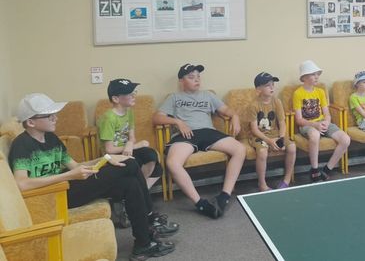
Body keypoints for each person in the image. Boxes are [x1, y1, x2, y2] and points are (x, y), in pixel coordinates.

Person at [8, 93, 177, 260]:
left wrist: (106, 158)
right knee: (131, 164)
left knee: (130, 183)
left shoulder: (51, 138)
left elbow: (75, 166)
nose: (55, 118)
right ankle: (150, 219)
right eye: (49, 115)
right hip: (55, 196)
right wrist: (67, 176)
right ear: (31, 122)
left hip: (67, 185)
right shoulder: (21, 145)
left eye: (54, 114)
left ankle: (143, 244)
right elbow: (22, 184)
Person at [153, 63, 245, 219]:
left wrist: (235, 116)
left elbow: (226, 110)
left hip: (208, 132)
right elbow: (156, 118)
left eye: (198, 77)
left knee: (240, 149)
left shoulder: (208, 95)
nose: (196, 80)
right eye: (191, 77)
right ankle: (200, 203)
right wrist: (177, 122)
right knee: (172, 163)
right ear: (181, 81)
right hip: (186, 134)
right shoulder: (174, 97)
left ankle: (224, 196)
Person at [99, 78, 162, 190]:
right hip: (114, 156)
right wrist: (135, 146)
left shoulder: (129, 112)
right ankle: (138, 191)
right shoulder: (109, 118)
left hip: (128, 150)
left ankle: (139, 190)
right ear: (116, 99)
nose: (134, 96)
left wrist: (130, 144)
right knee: (136, 163)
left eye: (134, 92)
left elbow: (132, 138)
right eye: (129, 93)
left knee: (153, 158)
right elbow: (109, 150)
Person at [293, 60, 350, 182]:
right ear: (304, 77)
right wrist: (315, 125)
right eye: (313, 74)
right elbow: (299, 120)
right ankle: (314, 169)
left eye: (317, 74)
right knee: (314, 135)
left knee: (345, 139)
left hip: (323, 122)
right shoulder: (298, 93)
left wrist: (326, 122)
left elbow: (327, 114)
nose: (316, 77)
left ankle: (327, 169)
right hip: (308, 125)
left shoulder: (320, 92)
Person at [249, 72, 296, 191]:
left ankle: (287, 179)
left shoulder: (277, 102)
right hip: (260, 136)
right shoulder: (254, 105)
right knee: (262, 152)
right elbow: (254, 129)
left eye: (273, 84)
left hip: (276, 134)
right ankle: (262, 184)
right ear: (258, 89)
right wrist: (269, 141)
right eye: (267, 85)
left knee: (292, 147)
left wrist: (281, 138)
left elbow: (282, 123)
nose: (272, 87)